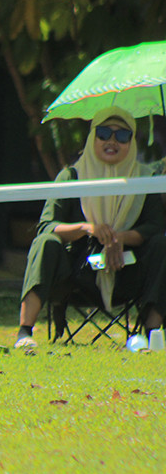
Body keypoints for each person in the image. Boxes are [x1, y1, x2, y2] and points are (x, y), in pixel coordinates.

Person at [14, 106, 166, 349]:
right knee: (45, 243)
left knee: (162, 243)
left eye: (123, 135)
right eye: (104, 133)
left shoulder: (146, 179)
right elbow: (47, 226)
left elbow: (155, 228)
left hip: (128, 270)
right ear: (92, 137)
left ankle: (152, 334)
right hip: (79, 273)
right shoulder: (71, 176)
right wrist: (88, 228)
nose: (112, 141)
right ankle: (24, 333)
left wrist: (120, 237)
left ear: (132, 140)